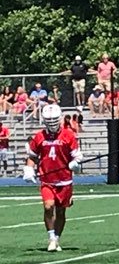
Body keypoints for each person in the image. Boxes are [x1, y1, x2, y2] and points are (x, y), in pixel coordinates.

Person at [23, 104, 83, 252]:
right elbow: (32, 156)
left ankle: (57, 238)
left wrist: (75, 163)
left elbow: (77, 156)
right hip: (47, 180)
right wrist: (29, 169)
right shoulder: (39, 137)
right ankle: (51, 237)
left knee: (61, 211)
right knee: (48, 206)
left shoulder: (68, 135)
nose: (52, 123)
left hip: (64, 180)